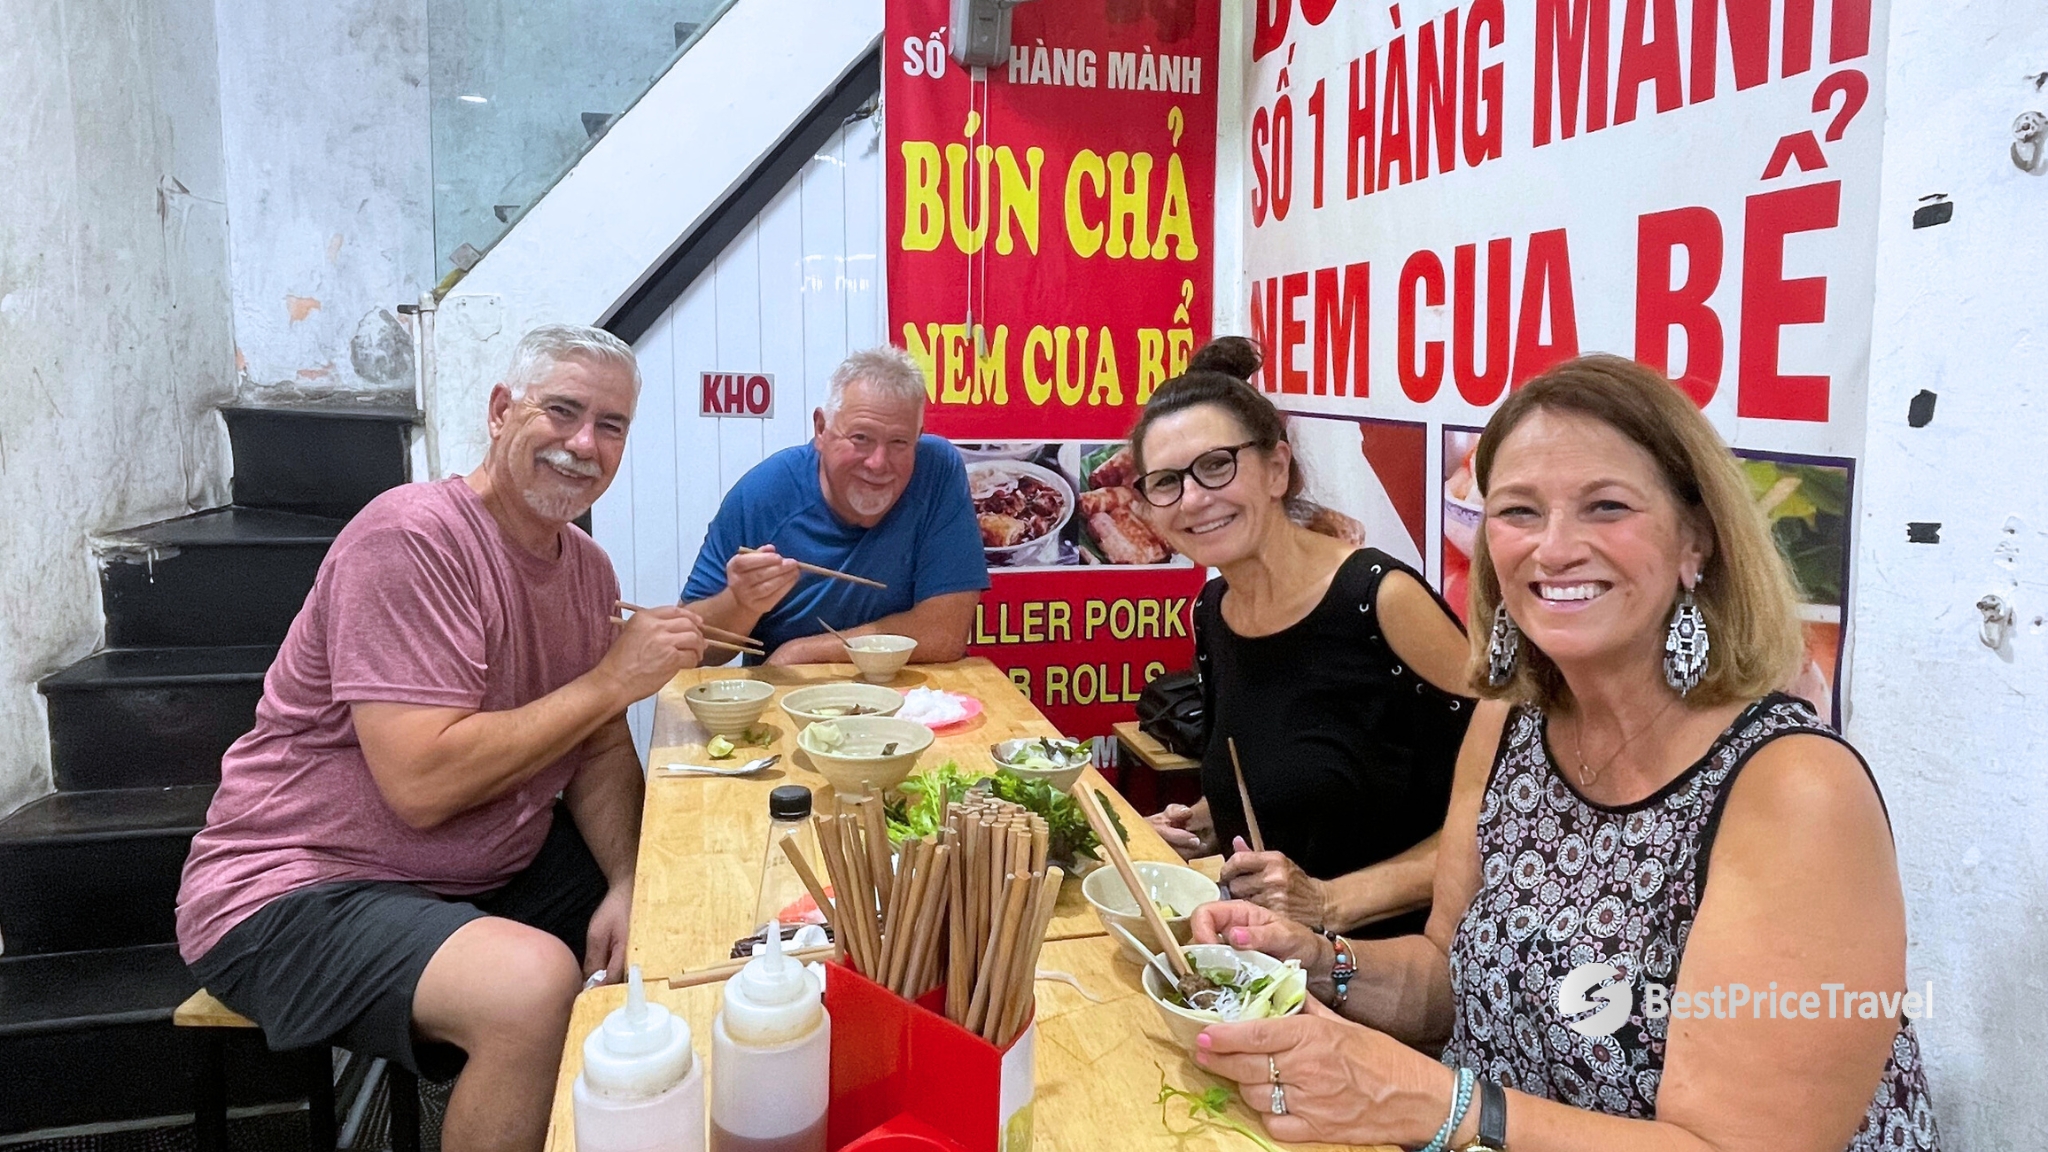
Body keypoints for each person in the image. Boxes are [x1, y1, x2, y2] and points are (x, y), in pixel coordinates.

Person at [1187, 355, 1937, 1152]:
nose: (1553, 549)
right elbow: (1452, 980)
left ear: (1698, 542)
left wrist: (1437, 1103)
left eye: (1606, 506)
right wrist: (1316, 958)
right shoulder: (1512, 722)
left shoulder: (1793, 791)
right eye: (1518, 511)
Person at [176, 325, 709, 1152]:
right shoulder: (412, 538)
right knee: (532, 987)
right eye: (562, 411)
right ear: (501, 412)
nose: (583, 444)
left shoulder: (589, 569)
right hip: (296, 887)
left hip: (475, 868)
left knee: (684, 909)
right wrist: (612, 680)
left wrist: (631, 878)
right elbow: (422, 785)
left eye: (610, 426)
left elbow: (599, 749)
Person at [1133, 338, 1474, 938]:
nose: (1193, 499)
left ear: (1276, 468)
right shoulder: (1216, 612)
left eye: (1216, 465)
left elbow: (1510, 808)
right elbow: (1295, 774)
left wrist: (1329, 902)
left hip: (1405, 970)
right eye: (1165, 482)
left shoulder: (1379, 600)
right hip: (1272, 958)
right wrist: (1201, 823)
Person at [683, 346, 988, 664]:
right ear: (821, 429)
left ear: (918, 437)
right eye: (861, 438)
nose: (878, 463)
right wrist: (740, 603)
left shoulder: (936, 471)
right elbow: (694, 650)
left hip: (912, 699)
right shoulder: (765, 494)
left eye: (899, 442)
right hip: (788, 701)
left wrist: (801, 652)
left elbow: (944, 634)